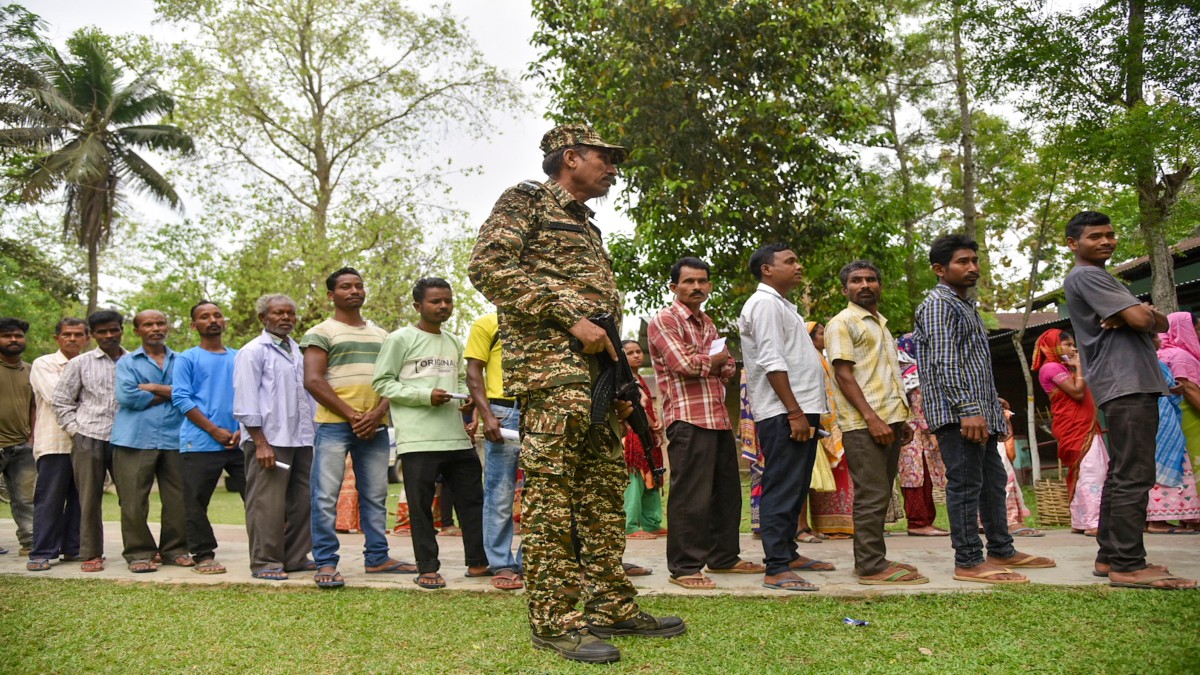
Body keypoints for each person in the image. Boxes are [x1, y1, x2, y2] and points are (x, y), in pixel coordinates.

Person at [469, 123, 683, 664]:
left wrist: (620, 382)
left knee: (601, 497)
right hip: (552, 377)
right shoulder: (527, 200)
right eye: (605, 157)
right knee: (551, 498)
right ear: (571, 157)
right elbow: (487, 266)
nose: (613, 168)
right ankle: (554, 621)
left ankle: (610, 605)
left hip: (597, 382)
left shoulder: (587, 225)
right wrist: (570, 316)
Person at [1063, 211, 1196, 589]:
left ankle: (1110, 557)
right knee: (1134, 474)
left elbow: (1162, 323)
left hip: (1128, 382)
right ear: (1074, 244)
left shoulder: (1100, 277)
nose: (1106, 241)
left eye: (1110, 234)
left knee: (1124, 472)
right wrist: (1140, 315)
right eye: (1095, 237)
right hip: (1126, 382)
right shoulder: (1087, 275)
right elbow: (1144, 320)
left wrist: (1145, 316)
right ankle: (1128, 563)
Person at [913, 234, 1054, 585]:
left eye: (974, 260)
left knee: (993, 482)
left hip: (979, 411)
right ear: (939, 269)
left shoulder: (965, 306)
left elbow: (971, 363)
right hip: (959, 415)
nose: (972, 267)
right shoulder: (938, 305)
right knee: (965, 485)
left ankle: (1002, 549)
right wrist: (968, 409)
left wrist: (992, 403)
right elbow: (945, 364)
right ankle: (969, 560)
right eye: (963, 261)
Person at [648, 256, 765, 591]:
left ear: (709, 285)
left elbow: (728, 368)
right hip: (686, 418)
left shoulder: (707, 322)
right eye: (688, 282)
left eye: (702, 281)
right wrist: (712, 362)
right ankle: (684, 567)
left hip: (716, 417)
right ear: (674, 287)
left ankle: (724, 557)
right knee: (690, 496)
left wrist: (713, 363)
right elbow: (684, 364)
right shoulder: (664, 320)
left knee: (726, 493)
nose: (696, 287)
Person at [371, 278, 487, 590]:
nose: (443, 306)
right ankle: (427, 568)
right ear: (418, 306)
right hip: (418, 439)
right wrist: (425, 396)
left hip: (456, 437)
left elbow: (462, 380)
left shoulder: (452, 341)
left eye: (447, 301)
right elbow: (383, 382)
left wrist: (467, 403)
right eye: (436, 301)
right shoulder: (400, 339)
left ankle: (477, 562)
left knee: (473, 500)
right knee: (422, 507)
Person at [301, 267, 412, 589]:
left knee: (376, 495)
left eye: (359, 286)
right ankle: (325, 562)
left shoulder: (382, 336)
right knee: (325, 496)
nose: (354, 291)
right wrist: (353, 415)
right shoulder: (320, 332)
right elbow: (313, 380)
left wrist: (376, 414)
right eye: (346, 287)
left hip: (375, 428)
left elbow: (394, 381)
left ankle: (377, 557)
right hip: (334, 426)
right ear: (330, 295)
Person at [825, 261, 927, 585]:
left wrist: (901, 419)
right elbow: (843, 374)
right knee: (871, 494)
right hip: (863, 424)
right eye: (856, 280)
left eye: (871, 279)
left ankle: (875, 558)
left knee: (881, 493)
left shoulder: (880, 324)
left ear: (879, 286)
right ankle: (870, 566)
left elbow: (887, 376)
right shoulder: (842, 323)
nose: (865, 284)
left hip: (889, 421)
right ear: (845, 290)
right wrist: (872, 418)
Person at [738, 243, 831, 592]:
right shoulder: (763, 304)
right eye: (789, 261)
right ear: (767, 269)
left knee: (795, 485)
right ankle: (776, 567)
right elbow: (771, 360)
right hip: (783, 411)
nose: (798, 265)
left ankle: (789, 554)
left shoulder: (782, 306)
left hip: (799, 408)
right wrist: (793, 412)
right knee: (781, 485)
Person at [233, 294, 315, 581]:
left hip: (301, 438)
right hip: (269, 440)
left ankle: (294, 557)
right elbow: (244, 400)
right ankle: (265, 561)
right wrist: (260, 442)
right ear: (263, 318)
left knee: (302, 501)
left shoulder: (299, 351)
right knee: (266, 503)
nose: (286, 318)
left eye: (290, 314)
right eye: (278, 313)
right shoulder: (253, 351)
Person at [110, 309, 189, 573]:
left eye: (160, 323)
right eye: (148, 324)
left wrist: (153, 387)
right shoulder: (127, 362)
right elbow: (128, 398)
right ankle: (139, 553)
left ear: (167, 326)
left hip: (175, 438)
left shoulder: (182, 361)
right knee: (132, 500)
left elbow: (190, 394)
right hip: (134, 439)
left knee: (178, 499)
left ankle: (175, 550)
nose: (155, 328)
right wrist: (173, 393)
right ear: (137, 331)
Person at [52, 309, 128, 573]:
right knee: (89, 499)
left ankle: (137, 551)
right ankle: (92, 553)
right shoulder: (80, 363)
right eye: (102, 331)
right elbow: (61, 401)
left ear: (122, 330)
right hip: (89, 437)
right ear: (92, 335)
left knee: (131, 499)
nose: (109, 335)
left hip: (126, 440)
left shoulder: (134, 362)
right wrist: (75, 431)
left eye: (113, 329)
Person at [171, 301, 243, 574]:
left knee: (259, 498)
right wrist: (213, 429)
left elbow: (250, 395)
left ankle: (267, 550)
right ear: (194, 326)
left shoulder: (239, 356)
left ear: (224, 321)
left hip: (239, 441)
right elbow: (180, 397)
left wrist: (241, 429)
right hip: (200, 442)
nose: (212, 320)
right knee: (196, 503)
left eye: (217, 315)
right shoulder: (187, 358)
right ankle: (203, 555)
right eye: (204, 317)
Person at [464, 311, 523, 591]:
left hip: (544, 410)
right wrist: (487, 415)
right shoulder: (487, 323)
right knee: (500, 491)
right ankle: (501, 562)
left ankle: (530, 561)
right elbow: (473, 371)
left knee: (545, 492)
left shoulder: (546, 319)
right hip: (504, 411)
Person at [26, 318, 88, 570]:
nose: (72, 339)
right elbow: (57, 397)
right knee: (50, 498)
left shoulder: (91, 362)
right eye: (67, 334)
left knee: (81, 500)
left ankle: (73, 549)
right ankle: (41, 552)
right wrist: (94, 401)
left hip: (86, 444)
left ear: (87, 338)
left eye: (78, 334)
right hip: (55, 443)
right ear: (57, 338)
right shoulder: (44, 364)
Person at [1031, 329, 1106, 536]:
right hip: (1074, 427)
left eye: (1073, 344)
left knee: (1089, 471)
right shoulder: (1052, 368)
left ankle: (1083, 520)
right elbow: (1077, 392)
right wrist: (1080, 367)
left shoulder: (1064, 367)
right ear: (1053, 346)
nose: (1073, 348)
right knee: (1092, 472)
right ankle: (1093, 522)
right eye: (1067, 345)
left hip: (1084, 426)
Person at [895, 334, 948, 537]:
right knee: (918, 478)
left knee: (917, 478)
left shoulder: (900, 372)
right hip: (917, 434)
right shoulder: (914, 374)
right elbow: (920, 406)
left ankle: (924, 521)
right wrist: (932, 432)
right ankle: (918, 522)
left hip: (908, 431)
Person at [1150, 316, 1200, 532]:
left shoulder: (1159, 356)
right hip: (1176, 418)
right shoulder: (1180, 355)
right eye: (1197, 329)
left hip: (1164, 417)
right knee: (1182, 465)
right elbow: (1188, 388)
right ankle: (1168, 518)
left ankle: (1180, 515)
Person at [619, 340, 664, 541]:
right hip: (633, 435)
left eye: (638, 351)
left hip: (647, 433)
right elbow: (635, 407)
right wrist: (653, 425)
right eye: (630, 353)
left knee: (653, 477)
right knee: (635, 480)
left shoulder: (640, 378)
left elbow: (648, 407)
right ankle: (629, 525)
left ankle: (651, 523)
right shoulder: (623, 379)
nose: (637, 355)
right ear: (621, 356)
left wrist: (657, 422)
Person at [0, 317, 35, 558]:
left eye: (18, 335)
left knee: (27, 498)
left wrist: (32, 437)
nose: (14, 339)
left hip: (23, 446)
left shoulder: (31, 371)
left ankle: (31, 543)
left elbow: (34, 406)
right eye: (7, 335)